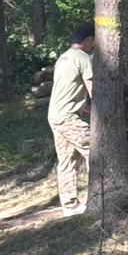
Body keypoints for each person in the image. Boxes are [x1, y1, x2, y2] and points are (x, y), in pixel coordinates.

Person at [46, 21, 96, 217]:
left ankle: (69, 205)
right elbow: (92, 88)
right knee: (95, 150)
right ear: (89, 39)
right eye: (94, 41)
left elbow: (68, 89)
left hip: (56, 115)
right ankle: (99, 194)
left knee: (67, 159)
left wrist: (85, 108)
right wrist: (100, 110)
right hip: (68, 117)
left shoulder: (64, 57)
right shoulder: (83, 58)